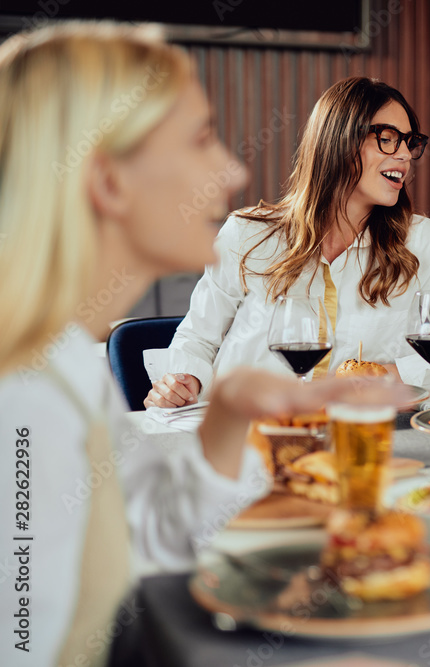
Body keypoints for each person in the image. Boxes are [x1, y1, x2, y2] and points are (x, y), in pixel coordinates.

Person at [0, 23, 371, 667]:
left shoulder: (64, 361)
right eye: (201, 139)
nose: (233, 169)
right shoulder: (21, 398)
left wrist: (229, 414)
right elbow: (30, 642)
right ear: (109, 179)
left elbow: (156, 535)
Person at [144, 77, 430, 408]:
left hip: (360, 438)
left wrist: (384, 376)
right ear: (340, 142)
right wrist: (184, 379)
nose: (404, 154)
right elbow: (197, 339)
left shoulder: (420, 242)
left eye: (410, 142)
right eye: (388, 138)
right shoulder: (247, 235)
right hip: (246, 433)